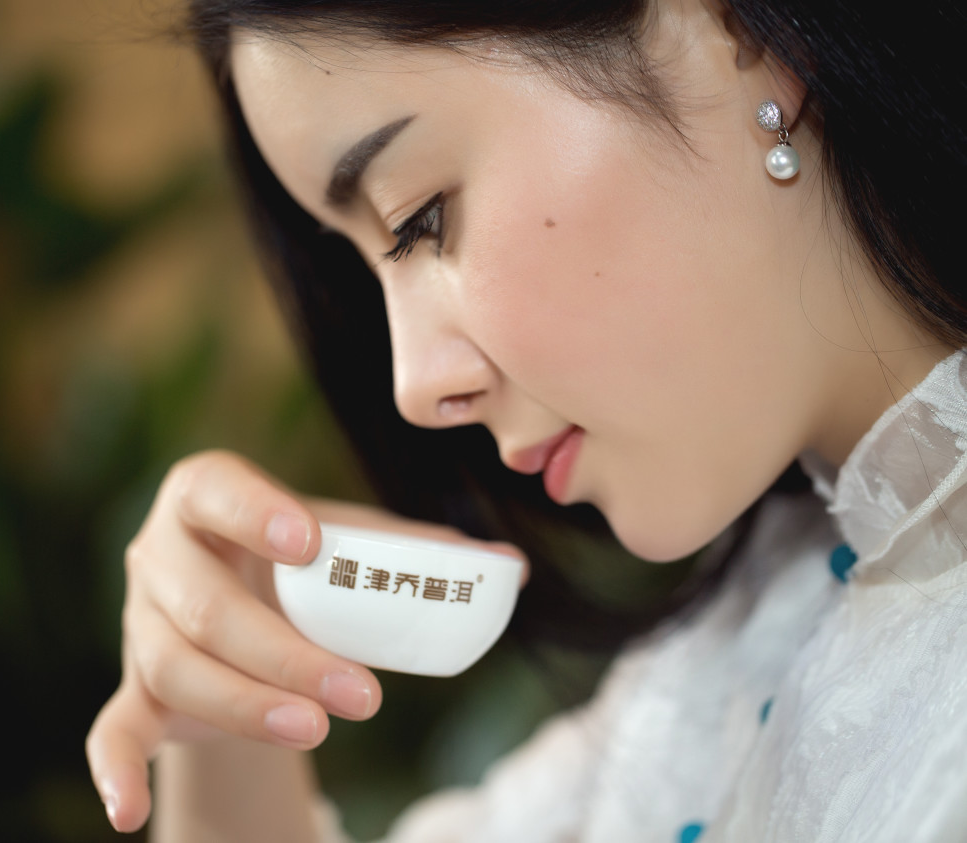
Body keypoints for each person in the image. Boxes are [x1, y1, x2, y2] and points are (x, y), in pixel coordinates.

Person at [86, 0, 967, 839]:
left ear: (738, 31)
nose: (414, 387)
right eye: (366, 270)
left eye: (420, 221)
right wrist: (230, 688)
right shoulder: (703, 692)